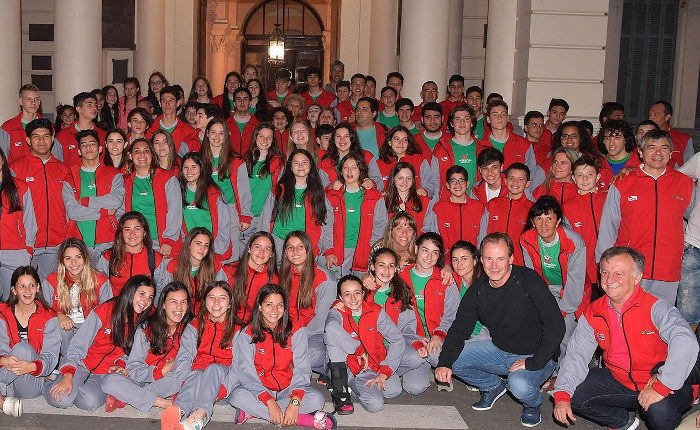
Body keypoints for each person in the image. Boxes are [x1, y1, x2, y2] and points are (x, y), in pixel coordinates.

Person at [553, 246, 697, 430]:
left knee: (659, 411)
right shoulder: (594, 312)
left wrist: (663, 385)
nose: (609, 279)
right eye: (605, 272)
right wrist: (562, 394)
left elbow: (685, 341)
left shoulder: (656, 307)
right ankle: (623, 421)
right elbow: (576, 355)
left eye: (618, 273)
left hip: (665, 381)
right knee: (570, 392)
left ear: (637, 278)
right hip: (621, 381)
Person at [436, 233, 565, 427]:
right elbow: (460, 328)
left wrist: (534, 361)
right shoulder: (478, 289)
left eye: (500, 259)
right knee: (445, 357)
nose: (494, 265)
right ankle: (492, 386)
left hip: (536, 354)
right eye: (489, 258)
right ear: (481, 260)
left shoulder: (528, 280)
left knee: (519, 385)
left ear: (511, 259)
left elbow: (556, 324)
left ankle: (532, 404)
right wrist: (445, 363)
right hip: (500, 350)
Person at [596, 128, 693, 305]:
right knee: (627, 316)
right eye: (651, 147)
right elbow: (608, 226)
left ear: (671, 153)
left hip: (667, 271)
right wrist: (603, 265)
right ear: (640, 152)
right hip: (628, 269)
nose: (658, 153)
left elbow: (695, 221)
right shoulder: (623, 182)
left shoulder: (685, 184)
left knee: (661, 318)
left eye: (664, 148)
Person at [229, 284, 336, 428]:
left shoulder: (296, 330)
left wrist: (295, 402)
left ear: (285, 308)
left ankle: (255, 412)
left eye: (279, 305)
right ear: (259, 307)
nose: (275, 310)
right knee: (236, 396)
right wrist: (269, 401)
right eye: (269, 304)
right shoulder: (247, 335)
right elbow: (247, 375)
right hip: (261, 390)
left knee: (317, 399)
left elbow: (302, 370)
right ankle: (302, 419)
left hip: (289, 389)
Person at [44, 275, 155, 411]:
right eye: (142, 294)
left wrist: (120, 364)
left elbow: (132, 354)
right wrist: (68, 374)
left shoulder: (143, 322)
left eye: (150, 297)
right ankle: (49, 382)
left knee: (88, 402)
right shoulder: (104, 310)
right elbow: (77, 346)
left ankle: (102, 391)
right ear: (130, 291)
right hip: (82, 363)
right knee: (61, 400)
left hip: (106, 372)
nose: (146, 301)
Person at [159, 281, 241, 430]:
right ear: (205, 302)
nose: (216, 302)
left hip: (224, 383)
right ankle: (179, 411)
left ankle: (199, 416)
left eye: (222, 298)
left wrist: (223, 389)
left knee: (214, 369)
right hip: (197, 380)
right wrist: (182, 380)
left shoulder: (239, 330)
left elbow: (239, 367)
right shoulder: (195, 325)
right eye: (211, 297)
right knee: (196, 373)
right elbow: (184, 357)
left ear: (230, 303)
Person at [100, 281, 193, 413]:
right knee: (109, 381)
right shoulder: (146, 328)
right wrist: (159, 372)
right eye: (173, 301)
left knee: (180, 377)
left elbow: (187, 364)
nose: (179, 307)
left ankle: (128, 396)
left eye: (183, 302)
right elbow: (134, 367)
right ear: (163, 304)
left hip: (169, 381)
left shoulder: (191, 329)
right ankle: (165, 403)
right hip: (144, 378)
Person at [324, 274, 405, 413]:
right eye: (347, 294)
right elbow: (330, 328)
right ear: (340, 297)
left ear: (363, 293)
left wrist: (384, 372)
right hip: (354, 367)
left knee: (394, 390)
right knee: (375, 405)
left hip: (375, 363)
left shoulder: (375, 310)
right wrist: (359, 350)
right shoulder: (337, 312)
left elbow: (397, 339)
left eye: (357, 293)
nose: (353, 298)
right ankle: (347, 385)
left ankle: (364, 387)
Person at [520, 196, 587, 354]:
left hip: (570, 291)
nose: (544, 225)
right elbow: (532, 277)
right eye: (539, 218)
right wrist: (540, 304)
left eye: (549, 218)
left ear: (558, 221)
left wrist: (562, 311)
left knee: (564, 333)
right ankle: (541, 365)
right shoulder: (527, 240)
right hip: (546, 290)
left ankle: (564, 368)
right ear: (532, 222)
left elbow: (575, 282)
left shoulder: (573, 241)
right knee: (535, 327)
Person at [10, 118, 71, 280]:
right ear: (28, 140)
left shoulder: (63, 169)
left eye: (46, 136)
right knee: (22, 288)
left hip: (55, 243)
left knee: (50, 289)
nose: (42, 141)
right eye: (36, 137)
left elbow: (70, 206)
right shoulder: (15, 168)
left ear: (52, 139)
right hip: (24, 244)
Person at [0, 266, 60, 417]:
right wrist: (3, 360)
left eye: (31, 285)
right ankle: (2, 400)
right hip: (7, 376)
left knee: (23, 349)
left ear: (38, 288)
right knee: (19, 350)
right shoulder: (3, 313)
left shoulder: (49, 316)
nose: (27, 290)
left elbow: (51, 355)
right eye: (22, 286)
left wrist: (32, 366)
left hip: (30, 381)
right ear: (14, 290)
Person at [62, 129, 124, 264]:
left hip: (109, 241)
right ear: (79, 151)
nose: (88, 147)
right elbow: (73, 212)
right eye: (84, 145)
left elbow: (116, 201)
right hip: (80, 242)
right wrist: (104, 212)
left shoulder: (114, 174)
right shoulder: (70, 177)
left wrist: (86, 201)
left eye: (92, 144)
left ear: (100, 149)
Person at [42, 238, 112, 356]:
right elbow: (42, 310)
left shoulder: (100, 280)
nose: (74, 263)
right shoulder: (52, 280)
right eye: (68, 258)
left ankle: (73, 361)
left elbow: (108, 314)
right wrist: (58, 315)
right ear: (62, 261)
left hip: (90, 331)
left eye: (78, 257)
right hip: (65, 331)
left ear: (85, 258)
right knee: (61, 328)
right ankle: (68, 360)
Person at [279, 231, 335, 373]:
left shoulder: (323, 278)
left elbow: (321, 320)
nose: (295, 251)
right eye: (290, 247)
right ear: (285, 252)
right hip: (288, 332)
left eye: (300, 247)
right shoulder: (282, 275)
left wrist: (296, 336)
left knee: (305, 358)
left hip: (314, 335)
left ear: (308, 250)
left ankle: (330, 366)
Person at [262, 149, 333, 259]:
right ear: (290, 166)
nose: (300, 166)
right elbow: (265, 218)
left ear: (311, 165)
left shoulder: (318, 193)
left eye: (304, 162)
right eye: (296, 162)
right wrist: (264, 244)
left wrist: (328, 249)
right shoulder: (278, 190)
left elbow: (326, 222)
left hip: (304, 246)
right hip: (279, 244)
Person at [325, 153, 387, 277]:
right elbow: (326, 226)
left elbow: (380, 227)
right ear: (341, 171)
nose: (349, 171)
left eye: (354, 167)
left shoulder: (374, 196)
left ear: (361, 171)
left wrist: (373, 251)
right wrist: (329, 251)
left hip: (364, 253)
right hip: (338, 253)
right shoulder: (332, 196)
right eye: (345, 167)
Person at [200, 118, 251, 259]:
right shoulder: (199, 159)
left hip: (230, 210)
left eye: (221, 133)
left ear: (226, 135)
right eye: (213, 132)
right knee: (207, 250)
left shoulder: (236, 161)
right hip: (206, 210)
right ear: (207, 134)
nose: (217, 137)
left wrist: (245, 216)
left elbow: (244, 191)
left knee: (231, 251)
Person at [123, 138, 183, 257]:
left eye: (146, 151)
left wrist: (168, 241)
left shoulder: (167, 178)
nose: (142, 155)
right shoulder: (125, 181)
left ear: (152, 154)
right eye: (137, 151)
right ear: (130, 156)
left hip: (162, 243)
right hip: (135, 242)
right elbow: (122, 214)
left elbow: (175, 211)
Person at [157, 227, 228, 311]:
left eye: (206, 245)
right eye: (198, 243)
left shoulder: (215, 264)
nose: (202, 249)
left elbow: (223, 293)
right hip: (180, 310)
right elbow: (165, 296)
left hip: (206, 311)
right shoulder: (174, 265)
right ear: (189, 244)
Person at [178, 152, 233, 260]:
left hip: (211, 248)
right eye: (185, 167)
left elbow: (224, 225)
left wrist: (215, 250)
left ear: (201, 169)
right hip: (189, 248)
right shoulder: (178, 192)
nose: (189, 171)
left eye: (193, 167)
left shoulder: (214, 193)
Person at [96, 211, 165, 296]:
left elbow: (159, 292)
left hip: (144, 304)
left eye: (137, 229)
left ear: (144, 232)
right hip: (114, 303)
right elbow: (100, 289)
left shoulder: (156, 259)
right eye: (127, 229)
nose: (132, 234)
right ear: (121, 233)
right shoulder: (108, 257)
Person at [425, 165, 488, 255]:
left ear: (467, 184)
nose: (457, 185)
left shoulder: (479, 207)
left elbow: (483, 238)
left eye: (461, 181)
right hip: (446, 261)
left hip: (472, 259)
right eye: (453, 181)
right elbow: (434, 239)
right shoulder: (438, 208)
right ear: (447, 185)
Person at [0, 147, 37, 299]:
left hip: (15, 252)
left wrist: (28, 249)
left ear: (2, 160)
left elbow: (30, 221)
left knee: (13, 300)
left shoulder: (20, 187)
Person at [240, 122, 284, 248]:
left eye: (269, 137)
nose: (265, 140)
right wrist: (243, 216)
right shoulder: (243, 161)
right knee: (243, 253)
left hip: (266, 217)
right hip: (245, 217)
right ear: (255, 137)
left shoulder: (279, 163)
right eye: (261, 136)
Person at [225, 231, 279, 324]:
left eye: (267, 249)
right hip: (227, 323)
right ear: (249, 248)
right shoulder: (229, 270)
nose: (261, 252)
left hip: (254, 327)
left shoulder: (274, 279)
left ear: (271, 254)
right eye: (257, 247)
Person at [486, 163, 533, 265]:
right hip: (493, 262)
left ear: (527, 183)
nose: (515, 182)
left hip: (519, 264)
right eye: (511, 178)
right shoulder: (492, 204)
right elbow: (482, 233)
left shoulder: (532, 209)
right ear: (505, 181)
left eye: (520, 179)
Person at [377, 125, 437, 197]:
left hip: (415, 202)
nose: (401, 143)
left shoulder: (419, 160)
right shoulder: (379, 164)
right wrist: (381, 194)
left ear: (408, 143)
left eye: (405, 140)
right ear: (389, 142)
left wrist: (425, 191)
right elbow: (375, 188)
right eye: (397, 139)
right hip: (388, 203)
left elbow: (430, 184)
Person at [0, 84, 54, 162]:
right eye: (29, 99)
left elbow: (54, 157)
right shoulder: (8, 128)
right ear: (20, 101)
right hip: (16, 170)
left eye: (36, 99)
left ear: (39, 102)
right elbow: (2, 160)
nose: (33, 103)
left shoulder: (48, 127)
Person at [432, 105, 478, 196]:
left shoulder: (481, 148)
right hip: (448, 201)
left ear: (472, 123)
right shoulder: (441, 149)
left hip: (474, 201)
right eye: (457, 119)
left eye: (466, 118)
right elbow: (434, 181)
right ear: (452, 124)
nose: (462, 122)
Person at [55, 92, 106, 167]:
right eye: (89, 105)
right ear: (78, 109)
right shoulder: (62, 136)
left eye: (95, 105)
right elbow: (56, 165)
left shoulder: (103, 135)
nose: (94, 108)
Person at [146, 86, 200, 155]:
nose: (167, 104)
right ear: (160, 103)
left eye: (171, 100)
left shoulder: (189, 131)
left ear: (178, 103)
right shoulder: (150, 131)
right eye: (164, 101)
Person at [384, 162, 431, 233]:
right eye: (400, 178)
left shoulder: (424, 201)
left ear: (413, 180)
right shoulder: (383, 201)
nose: (404, 182)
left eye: (408, 178)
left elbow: (428, 229)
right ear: (393, 179)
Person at [648, 100, 694, 168]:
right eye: (650, 115)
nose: (650, 118)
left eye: (656, 115)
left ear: (667, 117)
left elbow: (690, 167)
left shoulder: (684, 139)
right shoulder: (644, 136)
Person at [597, 119, 640, 190]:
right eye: (607, 138)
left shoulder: (641, 163)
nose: (611, 143)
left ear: (626, 139)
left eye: (617, 137)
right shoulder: (598, 167)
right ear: (603, 141)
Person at [226, 87, 260, 155]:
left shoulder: (258, 126)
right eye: (238, 99)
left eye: (245, 99)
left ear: (250, 103)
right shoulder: (225, 125)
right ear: (234, 104)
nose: (242, 102)